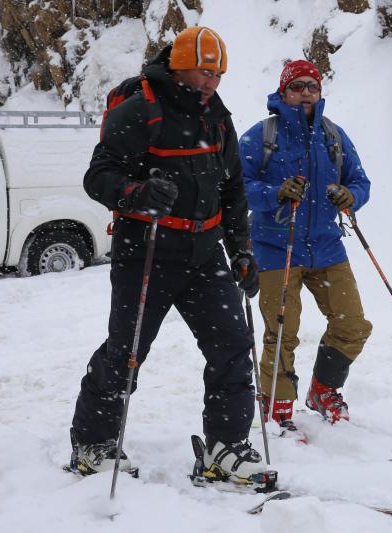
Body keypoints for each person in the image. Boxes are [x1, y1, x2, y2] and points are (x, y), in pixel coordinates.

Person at [69, 26, 269, 486]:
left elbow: (233, 187)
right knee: (127, 352)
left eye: (218, 73)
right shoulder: (141, 110)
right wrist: (137, 193)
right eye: (204, 71)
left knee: (234, 347)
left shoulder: (217, 117)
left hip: (204, 251)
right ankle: (93, 442)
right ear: (179, 65)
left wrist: (241, 250)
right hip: (147, 251)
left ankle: (225, 446)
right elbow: (98, 176)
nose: (211, 81)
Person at [239, 60, 372, 433]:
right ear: (284, 92)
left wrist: (351, 196)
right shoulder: (260, 135)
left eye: (311, 86)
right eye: (297, 86)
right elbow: (234, 186)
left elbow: (360, 181)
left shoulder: (333, 135)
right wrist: (273, 193)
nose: (305, 93)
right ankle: (278, 407)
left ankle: (323, 390)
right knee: (281, 332)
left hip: (327, 246)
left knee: (353, 325)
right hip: (274, 248)